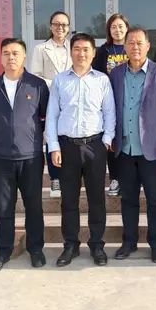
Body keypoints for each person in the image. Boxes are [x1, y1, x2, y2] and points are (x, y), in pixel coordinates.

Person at [46, 33, 116, 267]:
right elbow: (52, 115)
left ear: (93, 53)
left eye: (86, 49)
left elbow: (109, 112)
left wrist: (107, 139)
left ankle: (97, 244)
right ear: (71, 52)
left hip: (95, 146)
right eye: (77, 49)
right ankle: (70, 244)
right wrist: (54, 146)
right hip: (67, 147)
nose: (81, 53)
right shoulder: (60, 80)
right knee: (69, 200)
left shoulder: (102, 80)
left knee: (97, 199)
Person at [0, 38, 49, 274]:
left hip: (31, 158)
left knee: (34, 206)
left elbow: (44, 117)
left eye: (16, 53)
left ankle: (36, 249)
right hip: (1, 158)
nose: (11, 57)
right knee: (3, 207)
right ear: (0, 57)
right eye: (7, 53)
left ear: (24, 57)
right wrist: (3, 136)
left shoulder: (37, 85)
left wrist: (28, 137)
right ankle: (3, 251)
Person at [109, 28, 156, 263]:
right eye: (130, 43)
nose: (135, 47)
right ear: (124, 47)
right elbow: (110, 108)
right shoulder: (116, 74)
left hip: (153, 150)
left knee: (155, 199)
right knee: (128, 199)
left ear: (148, 46)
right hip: (124, 149)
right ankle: (129, 242)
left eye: (139, 43)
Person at [30, 11, 72, 199]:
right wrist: (56, 83)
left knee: (69, 136)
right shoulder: (41, 49)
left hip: (71, 100)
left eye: (64, 24)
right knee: (51, 135)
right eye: (56, 24)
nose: (60, 28)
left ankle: (68, 176)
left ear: (68, 28)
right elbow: (35, 76)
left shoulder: (74, 47)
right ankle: (55, 178)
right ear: (50, 26)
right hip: (49, 97)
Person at [93, 13, 130, 197]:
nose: (117, 30)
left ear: (127, 28)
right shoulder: (103, 51)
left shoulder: (132, 47)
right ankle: (115, 178)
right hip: (109, 102)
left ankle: (128, 178)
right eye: (113, 27)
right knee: (112, 140)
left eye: (120, 26)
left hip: (130, 100)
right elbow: (96, 76)